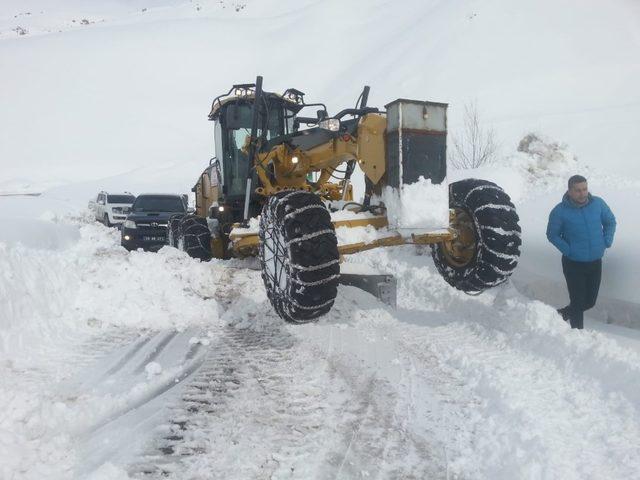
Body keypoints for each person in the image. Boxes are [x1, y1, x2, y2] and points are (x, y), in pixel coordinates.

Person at [546, 175, 616, 329]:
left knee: (590, 301)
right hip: (573, 264)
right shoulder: (559, 211)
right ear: (570, 191)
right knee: (577, 301)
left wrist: (607, 241)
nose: (582, 193)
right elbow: (552, 234)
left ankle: (562, 313)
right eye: (578, 190)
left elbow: (610, 221)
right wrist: (569, 250)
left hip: (595, 261)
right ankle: (577, 335)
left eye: (584, 189)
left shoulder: (598, 204)